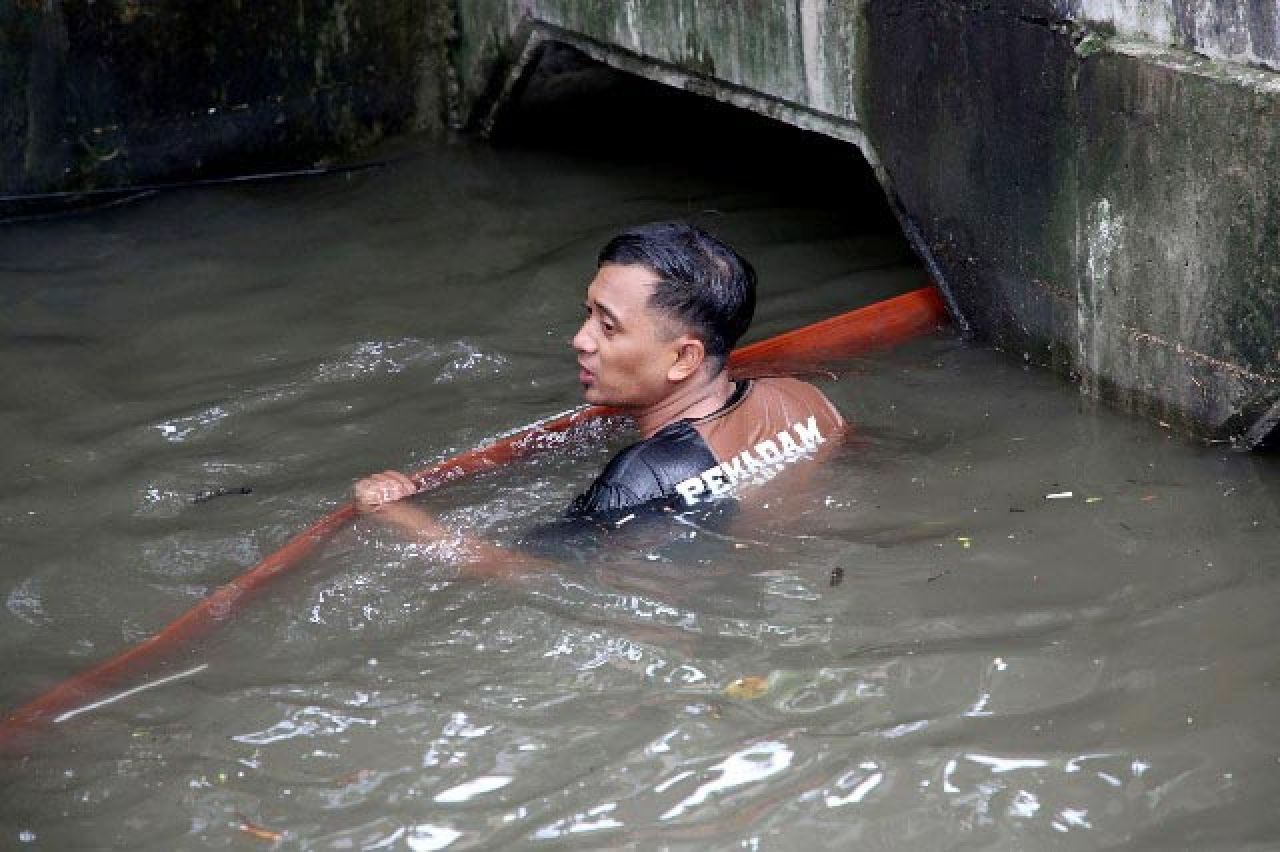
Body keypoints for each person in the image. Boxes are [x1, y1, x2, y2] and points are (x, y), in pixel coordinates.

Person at [352, 222, 844, 563]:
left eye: (608, 327)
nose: (581, 340)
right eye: (588, 314)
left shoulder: (638, 480)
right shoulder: (804, 399)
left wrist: (395, 513)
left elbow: (529, 572)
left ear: (684, 359)